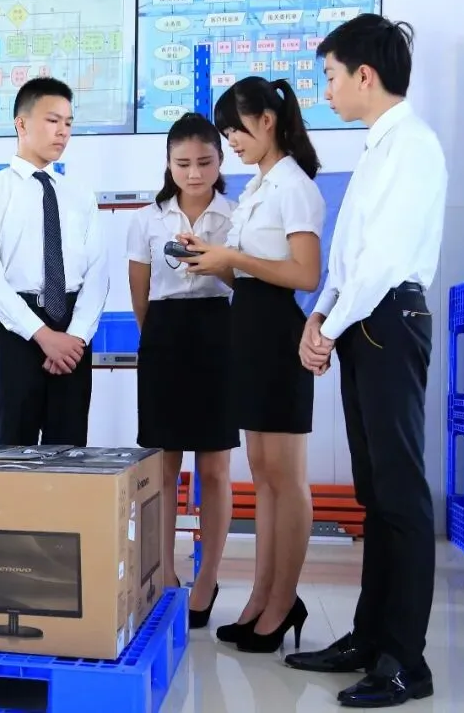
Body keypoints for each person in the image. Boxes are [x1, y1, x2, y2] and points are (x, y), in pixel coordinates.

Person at [288, 15, 443, 708]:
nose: (326, 90)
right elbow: (351, 256)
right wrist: (321, 314)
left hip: (388, 319)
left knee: (400, 493)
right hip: (363, 319)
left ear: (364, 75)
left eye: (330, 76)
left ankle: (406, 661)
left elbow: (381, 262)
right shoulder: (379, 146)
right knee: (376, 493)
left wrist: (331, 323)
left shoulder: (411, 145)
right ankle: (371, 637)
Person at [175, 76, 323, 653]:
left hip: (279, 334)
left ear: (268, 121)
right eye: (226, 131)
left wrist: (232, 256)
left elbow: (305, 274)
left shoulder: (295, 186)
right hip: (251, 330)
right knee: (262, 475)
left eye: (236, 129)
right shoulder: (260, 185)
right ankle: (261, 598)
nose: (231, 140)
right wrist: (217, 263)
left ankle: (283, 600)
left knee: (286, 477)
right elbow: (253, 273)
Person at [126, 113, 236, 629]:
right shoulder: (147, 219)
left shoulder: (235, 215)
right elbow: (141, 294)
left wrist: (215, 262)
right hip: (164, 336)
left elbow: (245, 282)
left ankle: (208, 576)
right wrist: (158, 336)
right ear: (168, 164)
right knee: (164, 466)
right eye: (183, 163)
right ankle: (166, 574)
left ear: (221, 160)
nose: (194, 173)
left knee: (214, 468)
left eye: (205, 162)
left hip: (219, 334)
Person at [0, 77, 109, 446]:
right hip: (16, 331)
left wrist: (75, 337)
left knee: (70, 452)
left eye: (68, 123)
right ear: (22, 124)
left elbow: (97, 273)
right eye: (52, 120)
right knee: (13, 451)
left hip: (72, 333)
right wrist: (43, 336)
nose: (63, 131)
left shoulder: (80, 195)